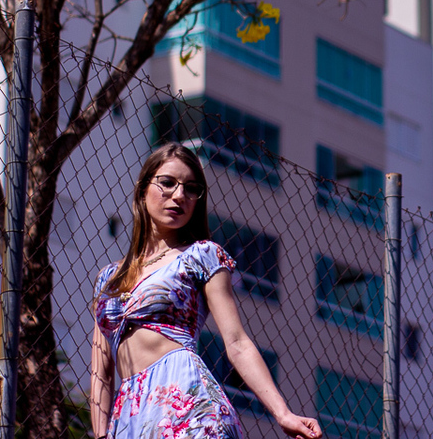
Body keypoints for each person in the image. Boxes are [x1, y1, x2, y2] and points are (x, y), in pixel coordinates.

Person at [90, 142, 322, 439]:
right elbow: (101, 372)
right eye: (167, 183)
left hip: (188, 409)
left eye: (191, 188)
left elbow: (236, 342)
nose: (179, 195)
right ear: (142, 188)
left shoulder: (202, 255)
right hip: (130, 418)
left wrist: (283, 413)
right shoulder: (108, 278)